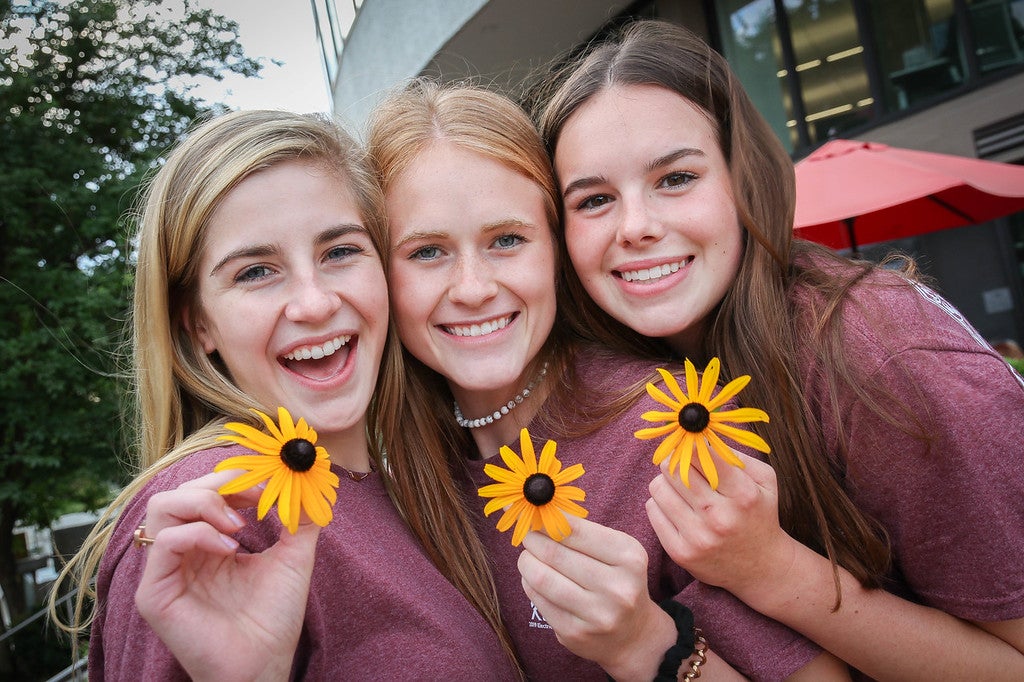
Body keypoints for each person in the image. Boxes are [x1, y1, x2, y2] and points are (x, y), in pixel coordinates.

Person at [534, 18, 1024, 681]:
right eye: (593, 200)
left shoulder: (882, 358)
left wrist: (773, 571)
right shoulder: (630, 379)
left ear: (745, 181)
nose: (637, 227)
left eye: (675, 178)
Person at [367, 79, 850, 681]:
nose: (473, 288)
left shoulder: (670, 432)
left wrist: (647, 645)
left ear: (558, 250)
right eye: (426, 252)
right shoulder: (393, 466)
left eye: (508, 240)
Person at [46, 109, 522, 680]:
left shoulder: (407, 488)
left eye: (340, 252)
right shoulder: (212, 517)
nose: (315, 303)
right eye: (255, 272)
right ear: (198, 324)